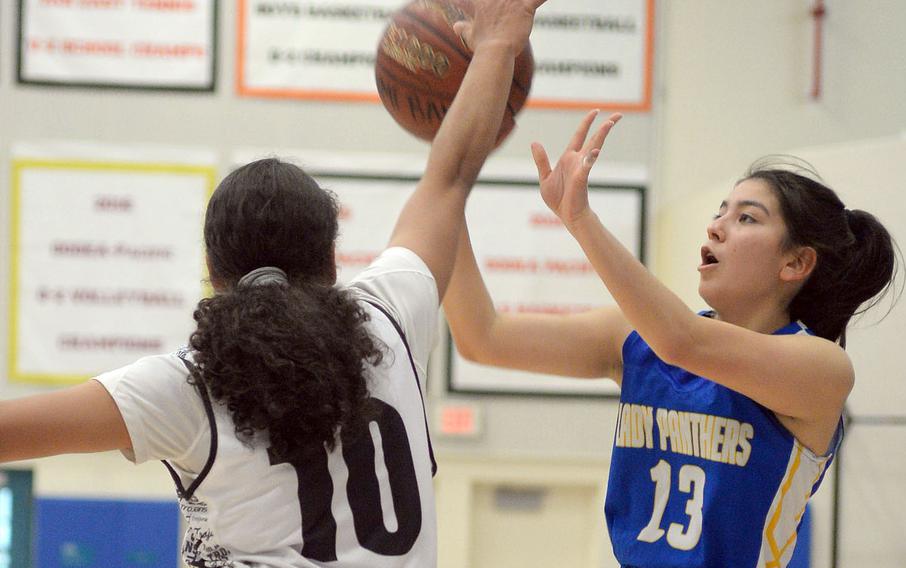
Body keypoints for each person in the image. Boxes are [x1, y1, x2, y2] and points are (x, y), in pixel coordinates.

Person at [0, 0, 547, 566]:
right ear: (332, 262)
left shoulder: (190, 386)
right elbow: (451, 176)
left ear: (214, 274)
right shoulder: (391, 316)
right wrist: (497, 45)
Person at [443, 111, 900, 566]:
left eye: (746, 218)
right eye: (720, 210)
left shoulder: (821, 368)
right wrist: (451, 187)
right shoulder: (636, 342)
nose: (716, 226)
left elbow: (683, 342)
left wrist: (580, 219)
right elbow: (482, 337)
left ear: (796, 264)